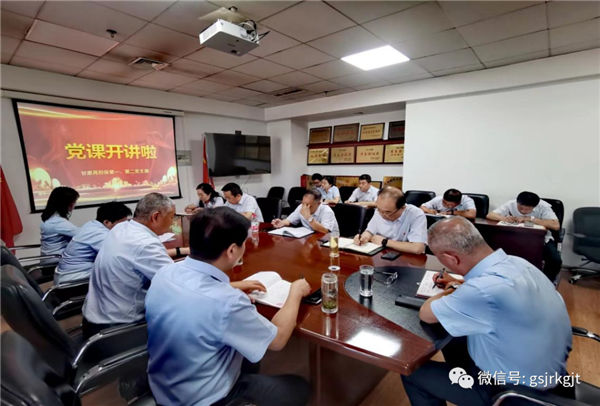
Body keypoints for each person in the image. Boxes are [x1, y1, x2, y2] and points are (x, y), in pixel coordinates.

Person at [146, 207, 311, 406]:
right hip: (203, 399)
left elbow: (195, 291)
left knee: (249, 357)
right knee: (299, 387)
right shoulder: (227, 301)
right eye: (244, 243)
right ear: (232, 251)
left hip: (163, 385)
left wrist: (232, 285)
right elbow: (278, 340)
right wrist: (295, 291)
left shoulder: (165, 273)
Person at [402, 217, 572, 405]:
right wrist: (461, 283)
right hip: (553, 375)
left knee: (413, 374)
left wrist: (452, 289)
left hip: (512, 391)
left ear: (452, 258)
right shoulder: (518, 263)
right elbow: (492, 294)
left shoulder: (481, 291)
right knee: (455, 338)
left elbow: (426, 313)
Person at [82, 193, 189, 338]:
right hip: (118, 330)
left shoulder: (121, 228)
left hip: (93, 318)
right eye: (171, 217)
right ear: (155, 217)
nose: (172, 222)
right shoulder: (145, 243)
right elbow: (180, 285)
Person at [486, 191, 562, 282]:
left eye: (527, 209)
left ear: (534, 206)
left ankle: (546, 282)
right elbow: (490, 215)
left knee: (555, 260)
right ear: (517, 202)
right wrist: (505, 218)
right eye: (521, 208)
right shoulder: (511, 204)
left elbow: (556, 225)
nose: (523, 211)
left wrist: (531, 219)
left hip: (540, 239)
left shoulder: (543, 206)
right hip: (514, 237)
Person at [54, 201, 132, 284]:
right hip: (74, 279)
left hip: (68, 273)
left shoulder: (91, 225)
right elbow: (122, 254)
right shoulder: (100, 234)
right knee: (127, 274)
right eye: (122, 224)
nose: (125, 227)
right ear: (107, 222)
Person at [354, 186, 426, 254]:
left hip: (405, 257)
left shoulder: (416, 214)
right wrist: (364, 238)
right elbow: (369, 231)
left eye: (387, 212)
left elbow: (418, 248)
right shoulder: (380, 210)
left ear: (402, 208)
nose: (382, 215)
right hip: (381, 254)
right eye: (379, 210)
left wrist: (385, 242)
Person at [272, 189, 338, 233]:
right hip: (310, 237)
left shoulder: (327, 211)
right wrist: (281, 223)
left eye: (309, 205)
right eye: (303, 203)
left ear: (318, 203)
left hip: (329, 240)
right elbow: (289, 220)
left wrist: (309, 218)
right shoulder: (302, 206)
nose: (305, 207)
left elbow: (325, 231)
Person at [40, 186, 80, 260]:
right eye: (74, 202)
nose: (74, 204)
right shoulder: (57, 223)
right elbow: (83, 235)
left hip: (50, 258)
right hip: (56, 262)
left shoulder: (49, 218)